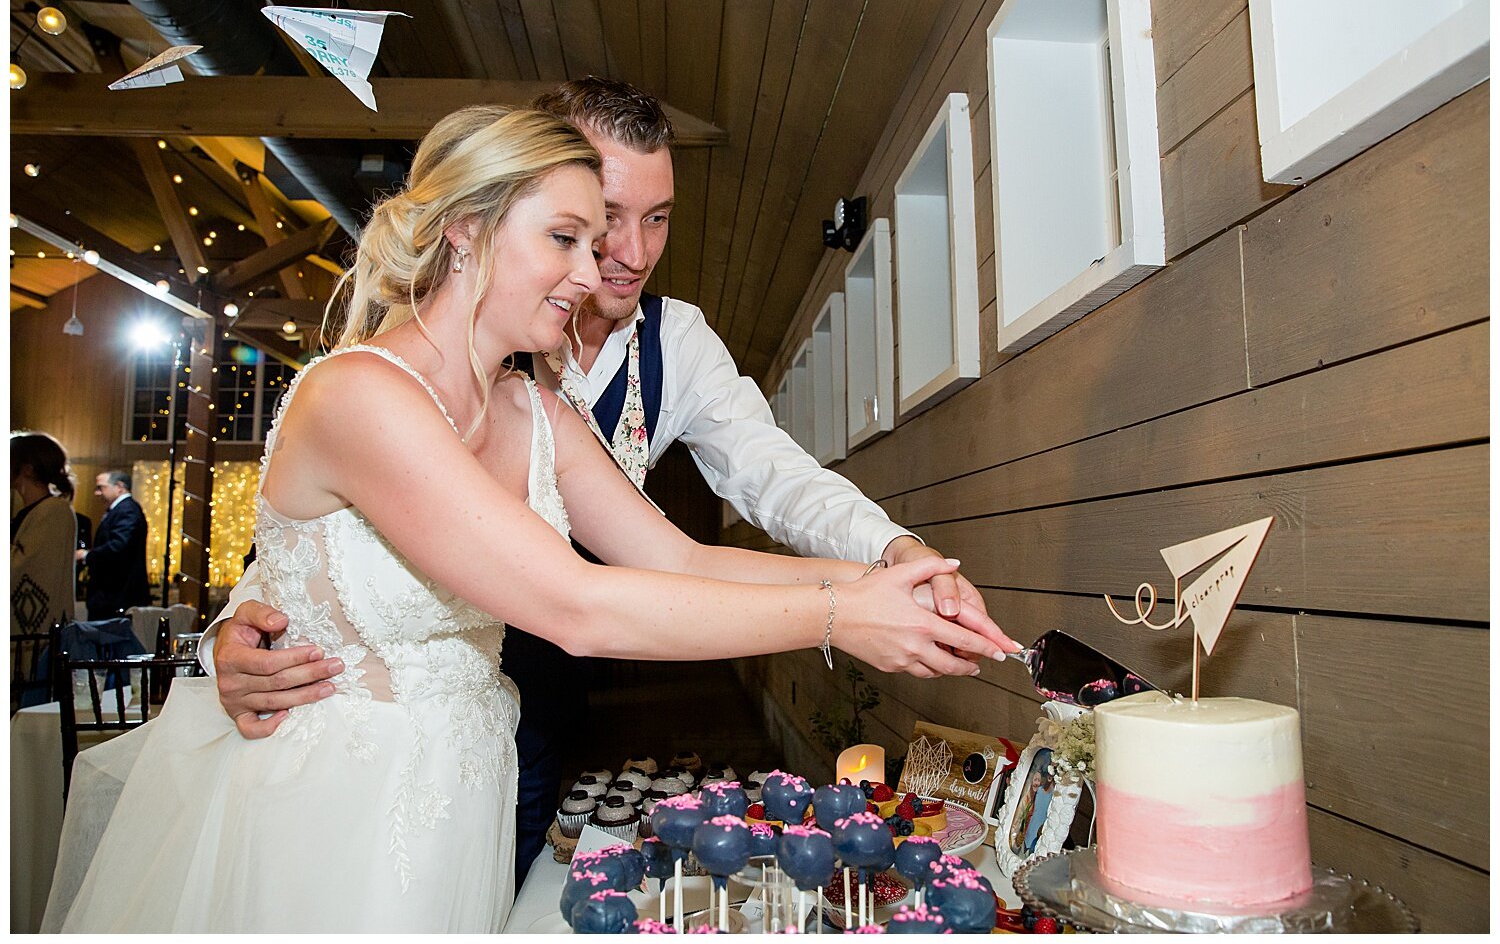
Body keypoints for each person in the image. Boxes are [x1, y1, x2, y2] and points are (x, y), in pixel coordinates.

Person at [46, 106, 1013, 932]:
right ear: (466, 229)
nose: (597, 270)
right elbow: (577, 604)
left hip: (464, 792)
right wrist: (842, 621)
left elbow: (678, 555)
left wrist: (893, 578)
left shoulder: (535, 410)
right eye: (570, 238)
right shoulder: (359, 396)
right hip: (326, 809)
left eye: (609, 240)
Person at [11, 432, 79, 635]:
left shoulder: (54, 512)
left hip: (35, 634)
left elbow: (24, 566)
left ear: (28, 469)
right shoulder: (32, 511)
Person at [76, 470, 150, 618]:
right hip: (112, 594)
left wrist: (87, 555)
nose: (97, 493)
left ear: (119, 487)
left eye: (101, 488)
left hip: (116, 594)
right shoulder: (122, 510)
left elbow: (118, 546)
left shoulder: (127, 510)